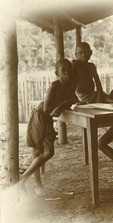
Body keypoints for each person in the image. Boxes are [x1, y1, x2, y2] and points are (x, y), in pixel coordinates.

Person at [20, 59, 78, 195]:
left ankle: (24, 178)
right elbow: (47, 109)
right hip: (39, 115)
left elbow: (71, 100)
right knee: (38, 150)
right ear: (56, 73)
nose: (67, 72)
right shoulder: (54, 86)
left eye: (69, 68)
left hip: (48, 119)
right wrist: (65, 102)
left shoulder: (73, 83)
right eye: (63, 70)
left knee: (49, 152)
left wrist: (66, 103)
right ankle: (36, 184)